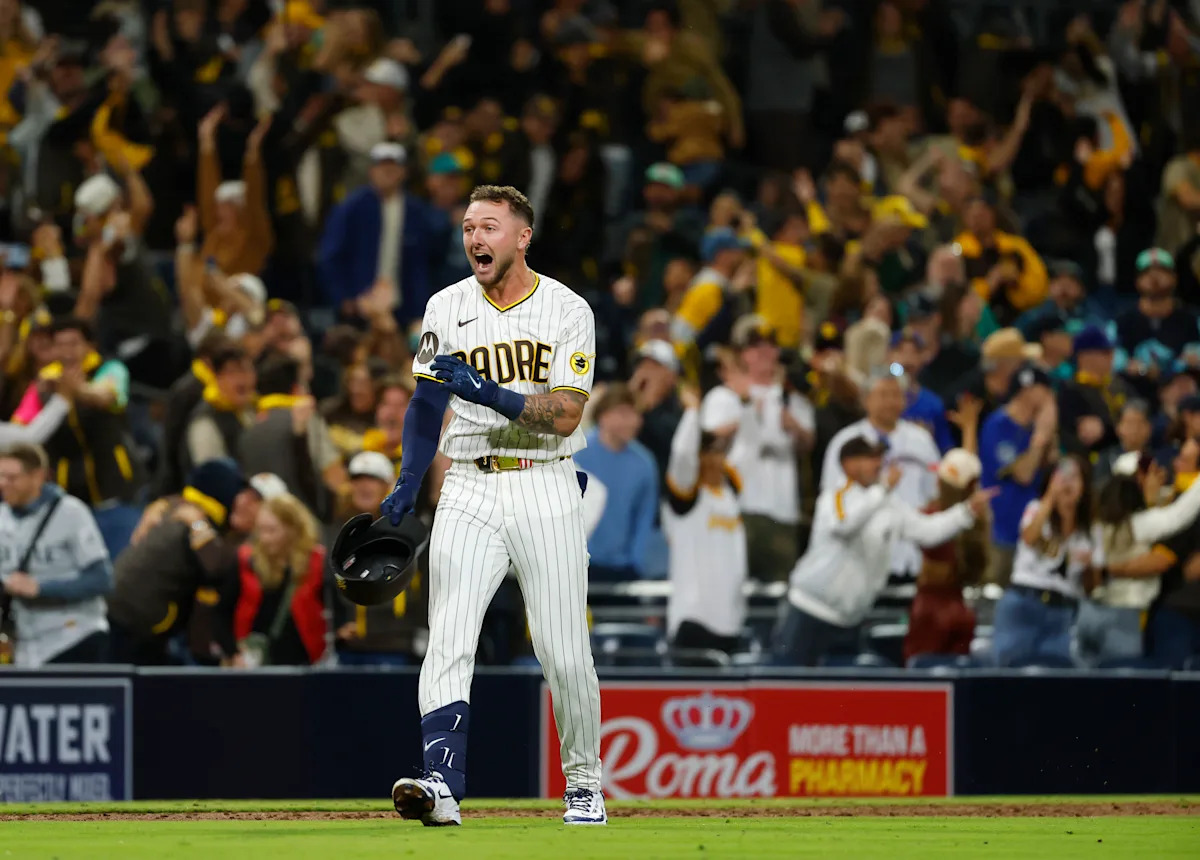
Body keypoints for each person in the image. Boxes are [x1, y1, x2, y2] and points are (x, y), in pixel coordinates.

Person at [378, 185, 605, 826]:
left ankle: (584, 779)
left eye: (491, 227)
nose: (477, 238)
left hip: (544, 479)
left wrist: (490, 391)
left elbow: (564, 415)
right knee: (448, 637)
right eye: (470, 227)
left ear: (521, 236)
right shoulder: (445, 306)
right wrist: (407, 478)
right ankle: (441, 782)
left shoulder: (567, 308)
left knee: (562, 650)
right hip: (469, 482)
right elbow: (426, 404)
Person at [775, 436, 993, 666]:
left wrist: (965, 512)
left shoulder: (889, 505)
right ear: (849, 464)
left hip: (850, 621)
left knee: (839, 699)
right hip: (808, 613)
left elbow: (926, 531)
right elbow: (843, 525)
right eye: (870, 457)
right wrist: (882, 491)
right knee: (786, 689)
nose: (879, 463)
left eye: (880, 457)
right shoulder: (835, 497)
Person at [13, 317, 144, 559]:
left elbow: (106, 395)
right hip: (68, 494)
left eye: (73, 344)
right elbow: (21, 430)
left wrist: (70, 390)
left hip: (113, 488)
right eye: (60, 345)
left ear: (89, 346)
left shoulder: (110, 369)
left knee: (123, 560)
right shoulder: (42, 384)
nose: (67, 352)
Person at [701, 315, 813, 581]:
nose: (764, 352)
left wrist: (793, 425)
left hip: (782, 509)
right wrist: (746, 410)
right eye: (755, 346)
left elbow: (808, 445)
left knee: (778, 590)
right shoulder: (724, 396)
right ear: (742, 355)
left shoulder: (792, 398)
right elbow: (708, 440)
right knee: (731, 584)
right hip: (735, 508)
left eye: (770, 345)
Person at [107, 459, 250, 665]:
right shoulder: (197, 521)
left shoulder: (174, 505)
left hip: (119, 604)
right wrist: (198, 524)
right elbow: (216, 567)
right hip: (141, 617)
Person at [1083, 448, 1200, 665]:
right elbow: (1181, 514)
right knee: (1122, 690)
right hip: (1123, 616)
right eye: (1151, 473)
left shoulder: (1095, 525)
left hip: (1089, 612)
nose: (1161, 476)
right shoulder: (1139, 525)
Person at [0, 442, 112, 667]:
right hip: (26, 645)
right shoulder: (2, 517)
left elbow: (102, 580)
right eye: (0, 476)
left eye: (12, 478)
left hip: (74, 635)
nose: (3, 484)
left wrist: (41, 588)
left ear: (38, 476)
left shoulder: (71, 512)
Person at [821, 372, 940, 583]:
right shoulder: (847, 442)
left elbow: (933, 494)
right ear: (866, 400)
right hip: (861, 556)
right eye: (883, 395)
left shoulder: (921, 441)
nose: (890, 402)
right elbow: (833, 498)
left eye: (896, 395)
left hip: (911, 553)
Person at [992, 455, 1098, 667]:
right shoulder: (1036, 508)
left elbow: (1091, 586)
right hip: (1024, 603)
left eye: (1074, 477)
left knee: (1055, 679)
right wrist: (1050, 498)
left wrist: (1090, 566)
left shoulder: (1090, 530)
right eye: (1062, 477)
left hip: (1061, 612)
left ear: (1085, 485)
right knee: (1008, 675)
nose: (1067, 483)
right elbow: (1030, 537)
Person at [328, 451, 428, 667]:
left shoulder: (409, 532)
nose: (364, 487)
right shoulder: (341, 532)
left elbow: (428, 585)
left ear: (388, 485)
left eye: (373, 480)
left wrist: (423, 632)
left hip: (398, 646)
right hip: (351, 647)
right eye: (358, 480)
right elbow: (328, 586)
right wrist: (338, 625)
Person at [903, 448, 990, 664]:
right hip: (962, 609)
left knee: (921, 679)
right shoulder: (978, 521)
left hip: (930, 611)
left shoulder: (930, 516)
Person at [224, 493, 326, 668]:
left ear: (293, 530)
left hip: (304, 662)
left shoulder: (317, 562)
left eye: (272, 530)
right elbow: (223, 611)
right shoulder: (246, 560)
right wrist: (232, 652)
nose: (264, 538)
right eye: (260, 530)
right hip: (252, 660)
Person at [979, 364, 1058, 585]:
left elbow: (1052, 469)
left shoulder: (1038, 428)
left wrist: (1049, 434)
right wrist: (1041, 437)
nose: (1049, 399)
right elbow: (1024, 474)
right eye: (1045, 391)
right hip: (1000, 531)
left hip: (1031, 534)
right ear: (1029, 390)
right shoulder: (997, 425)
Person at [574, 384, 658, 582]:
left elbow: (644, 518)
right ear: (604, 416)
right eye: (624, 414)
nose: (634, 421)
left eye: (636, 414)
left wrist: (636, 563)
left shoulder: (645, 464)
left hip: (623, 568)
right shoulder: (576, 453)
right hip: (578, 564)